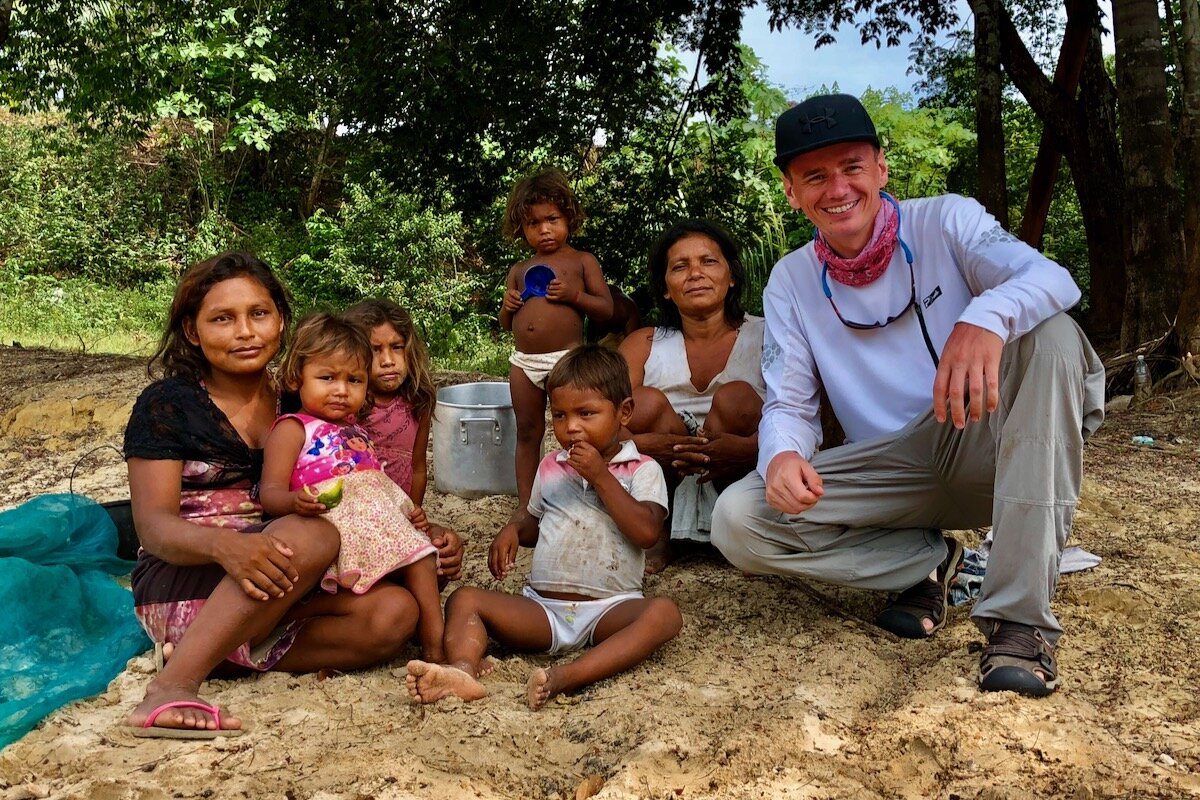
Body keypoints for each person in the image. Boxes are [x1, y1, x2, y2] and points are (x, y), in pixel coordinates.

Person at [711, 94, 1105, 697]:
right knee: (739, 520)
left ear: (881, 169)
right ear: (792, 191)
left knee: (1050, 331)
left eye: (851, 167)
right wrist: (783, 456)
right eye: (814, 176)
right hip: (892, 467)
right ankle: (925, 563)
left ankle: (1019, 622)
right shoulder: (791, 279)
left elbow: (1052, 278)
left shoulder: (947, 219)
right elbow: (788, 400)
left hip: (988, 445)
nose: (836, 188)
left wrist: (987, 316)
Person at [123, 252, 463, 738]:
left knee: (395, 614)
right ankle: (172, 684)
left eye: (258, 314)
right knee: (311, 536)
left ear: (281, 322)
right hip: (190, 577)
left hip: (286, 584)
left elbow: (359, 491)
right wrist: (229, 546)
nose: (245, 331)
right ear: (194, 333)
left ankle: (224, 654)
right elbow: (154, 529)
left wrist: (419, 537)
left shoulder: (303, 401)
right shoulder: (169, 404)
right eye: (223, 318)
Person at [404, 346, 682, 710]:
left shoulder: (642, 470)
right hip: (544, 609)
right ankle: (462, 670)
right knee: (465, 599)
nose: (572, 427)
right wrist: (514, 530)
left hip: (610, 608)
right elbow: (535, 522)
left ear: (623, 413)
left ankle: (570, 676)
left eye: (587, 414)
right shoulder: (552, 466)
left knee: (664, 614)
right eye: (561, 416)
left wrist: (601, 477)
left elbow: (646, 532)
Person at [259, 312, 445, 663]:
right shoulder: (293, 429)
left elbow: (376, 486)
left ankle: (435, 648)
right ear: (297, 377)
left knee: (422, 556)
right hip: (330, 534)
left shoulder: (356, 431)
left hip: (374, 530)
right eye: (327, 378)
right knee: (414, 561)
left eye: (355, 381)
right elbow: (269, 493)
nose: (341, 391)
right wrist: (295, 502)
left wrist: (409, 513)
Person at [618, 220, 766, 572]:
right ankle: (656, 532)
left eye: (708, 262)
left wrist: (747, 449)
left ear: (731, 277)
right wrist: (646, 445)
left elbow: (807, 415)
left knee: (735, 399)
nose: (695, 273)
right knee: (644, 404)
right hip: (659, 480)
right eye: (680, 266)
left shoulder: (770, 335)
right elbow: (594, 415)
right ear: (666, 288)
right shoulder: (644, 343)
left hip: (743, 474)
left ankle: (740, 531)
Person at [499, 168, 614, 513]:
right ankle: (526, 506)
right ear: (522, 229)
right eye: (534, 224)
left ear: (569, 218)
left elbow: (606, 309)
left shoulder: (581, 261)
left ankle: (588, 493)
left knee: (578, 430)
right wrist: (507, 308)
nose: (544, 229)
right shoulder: (520, 269)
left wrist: (574, 296)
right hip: (524, 362)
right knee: (528, 432)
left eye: (552, 219)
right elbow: (508, 324)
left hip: (567, 358)